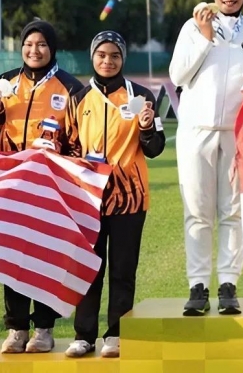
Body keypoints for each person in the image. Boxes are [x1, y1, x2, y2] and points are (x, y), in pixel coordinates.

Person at [169, 0, 243, 316]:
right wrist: (204, 36)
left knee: (233, 211)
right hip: (195, 132)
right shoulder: (192, 27)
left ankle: (229, 284)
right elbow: (178, 75)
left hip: (238, 132)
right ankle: (197, 285)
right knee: (197, 211)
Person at [0, 20, 84, 353]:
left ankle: (44, 328)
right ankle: (16, 329)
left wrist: (60, 150)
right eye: (28, 44)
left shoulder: (69, 87)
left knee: (44, 256)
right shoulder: (6, 82)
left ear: (51, 48)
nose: (34, 50)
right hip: (11, 185)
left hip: (50, 187)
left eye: (41, 44)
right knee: (12, 255)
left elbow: (79, 142)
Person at [63, 31, 166, 358]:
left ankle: (116, 334)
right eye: (102, 55)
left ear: (123, 59)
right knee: (88, 269)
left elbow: (156, 147)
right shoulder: (78, 98)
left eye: (115, 55)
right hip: (89, 199)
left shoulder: (142, 96)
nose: (108, 61)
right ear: (92, 57)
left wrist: (147, 128)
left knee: (123, 270)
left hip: (129, 198)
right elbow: (69, 147)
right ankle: (84, 336)